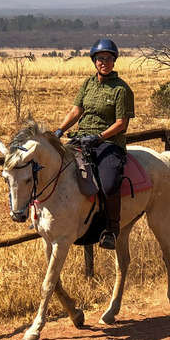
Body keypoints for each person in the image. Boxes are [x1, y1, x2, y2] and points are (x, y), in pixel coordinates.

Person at [53, 38, 135, 250]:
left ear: (114, 61)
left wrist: (99, 137)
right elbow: (76, 111)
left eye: (108, 59)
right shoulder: (88, 84)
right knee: (58, 169)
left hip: (109, 143)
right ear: (94, 61)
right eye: (100, 59)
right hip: (81, 139)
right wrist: (59, 130)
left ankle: (111, 228)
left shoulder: (121, 89)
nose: (104, 62)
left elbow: (121, 124)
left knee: (108, 182)